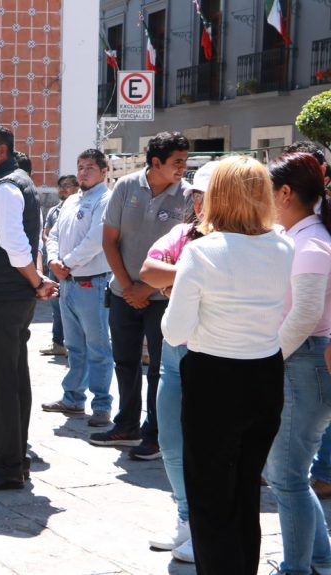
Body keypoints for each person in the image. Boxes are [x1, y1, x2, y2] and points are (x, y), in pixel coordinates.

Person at [161, 155, 293, 575]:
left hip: (214, 378)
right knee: (245, 494)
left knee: (209, 499)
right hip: (264, 375)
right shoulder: (283, 244)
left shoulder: (202, 253)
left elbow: (173, 330)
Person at [0, 122, 57, 492]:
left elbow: (16, 248)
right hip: (6, 299)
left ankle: (7, 466)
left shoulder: (4, 188)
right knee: (13, 378)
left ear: (1, 150)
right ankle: (15, 459)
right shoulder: (14, 182)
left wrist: (36, 282)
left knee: (0, 383)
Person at [139, 160, 218, 565]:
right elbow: (149, 269)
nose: (197, 202)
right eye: (196, 196)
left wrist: (182, 280)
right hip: (176, 350)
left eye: (203, 195)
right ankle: (186, 519)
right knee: (171, 439)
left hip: (216, 352)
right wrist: (190, 277)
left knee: (208, 444)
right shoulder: (182, 235)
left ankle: (204, 527)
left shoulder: (244, 238)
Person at [94, 131, 191, 461]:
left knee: (160, 369)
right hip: (123, 294)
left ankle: (155, 433)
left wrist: (147, 288)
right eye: (177, 162)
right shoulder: (125, 187)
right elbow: (109, 240)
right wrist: (129, 286)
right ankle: (126, 424)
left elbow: (186, 253)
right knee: (125, 362)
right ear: (156, 162)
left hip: (163, 298)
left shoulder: (189, 197)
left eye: (185, 161)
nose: (183, 168)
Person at [263, 152, 331, 575]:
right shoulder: (305, 236)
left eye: (269, 192)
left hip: (302, 363)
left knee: (287, 477)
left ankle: (296, 569)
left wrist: (268, 360)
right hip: (302, 362)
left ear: (285, 193)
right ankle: (319, 557)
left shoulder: (311, 243)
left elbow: (305, 315)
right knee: (290, 475)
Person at [42, 150, 114, 428]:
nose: (84, 172)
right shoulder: (72, 200)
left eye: (90, 167)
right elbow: (54, 234)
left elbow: (96, 239)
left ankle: (101, 405)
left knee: (97, 347)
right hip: (68, 283)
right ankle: (72, 398)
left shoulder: (106, 200)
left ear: (104, 170)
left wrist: (67, 263)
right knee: (74, 346)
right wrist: (52, 260)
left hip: (91, 282)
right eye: (81, 167)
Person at [40, 174, 77, 356]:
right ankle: (58, 343)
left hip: (74, 265)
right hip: (55, 263)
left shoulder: (80, 209)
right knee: (56, 305)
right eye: (60, 186)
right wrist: (54, 252)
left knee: (74, 305)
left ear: (77, 188)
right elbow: (46, 234)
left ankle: (76, 345)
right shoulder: (54, 211)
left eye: (67, 186)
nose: (62, 189)